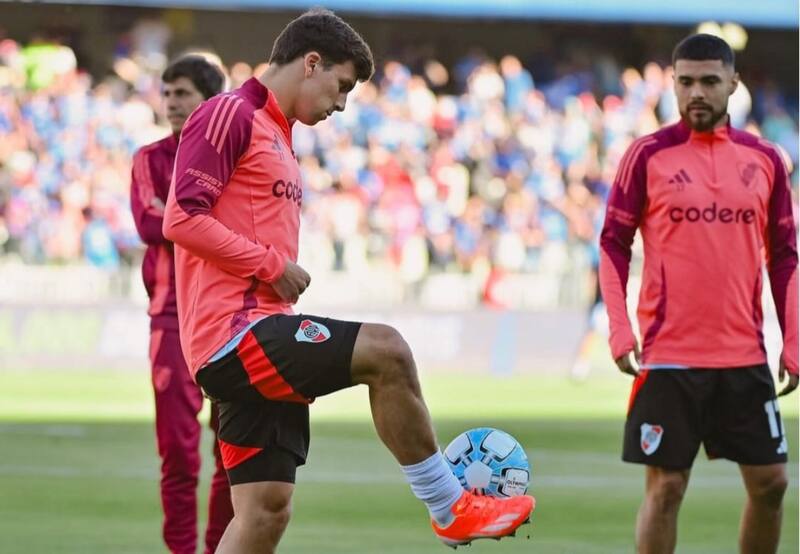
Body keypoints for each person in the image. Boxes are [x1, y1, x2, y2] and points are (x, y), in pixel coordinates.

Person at [162, 9, 534, 553]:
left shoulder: (279, 135)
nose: (341, 103)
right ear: (311, 63)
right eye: (341, 86)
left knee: (264, 511)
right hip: (234, 336)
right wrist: (271, 266)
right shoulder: (230, 114)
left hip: (259, 332)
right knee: (387, 351)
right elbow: (182, 218)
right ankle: (448, 505)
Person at [599, 34, 797, 554]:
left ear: (734, 84)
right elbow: (613, 245)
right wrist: (620, 328)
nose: (697, 93)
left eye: (710, 81)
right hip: (669, 357)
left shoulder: (767, 160)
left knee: (772, 483)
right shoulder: (646, 156)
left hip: (743, 354)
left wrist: (794, 339)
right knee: (666, 490)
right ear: (673, 84)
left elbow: (785, 259)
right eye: (685, 82)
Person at [130, 55, 233, 554]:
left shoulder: (234, 155)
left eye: (182, 93)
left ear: (208, 101)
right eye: (167, 92)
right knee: (177, 454)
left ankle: (217, 549)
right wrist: (202, 216)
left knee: (232, 453)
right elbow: (153, 226)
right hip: (170, 320)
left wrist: (194, 220)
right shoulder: (149, 157)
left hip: (227, 316)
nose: (171, 102)